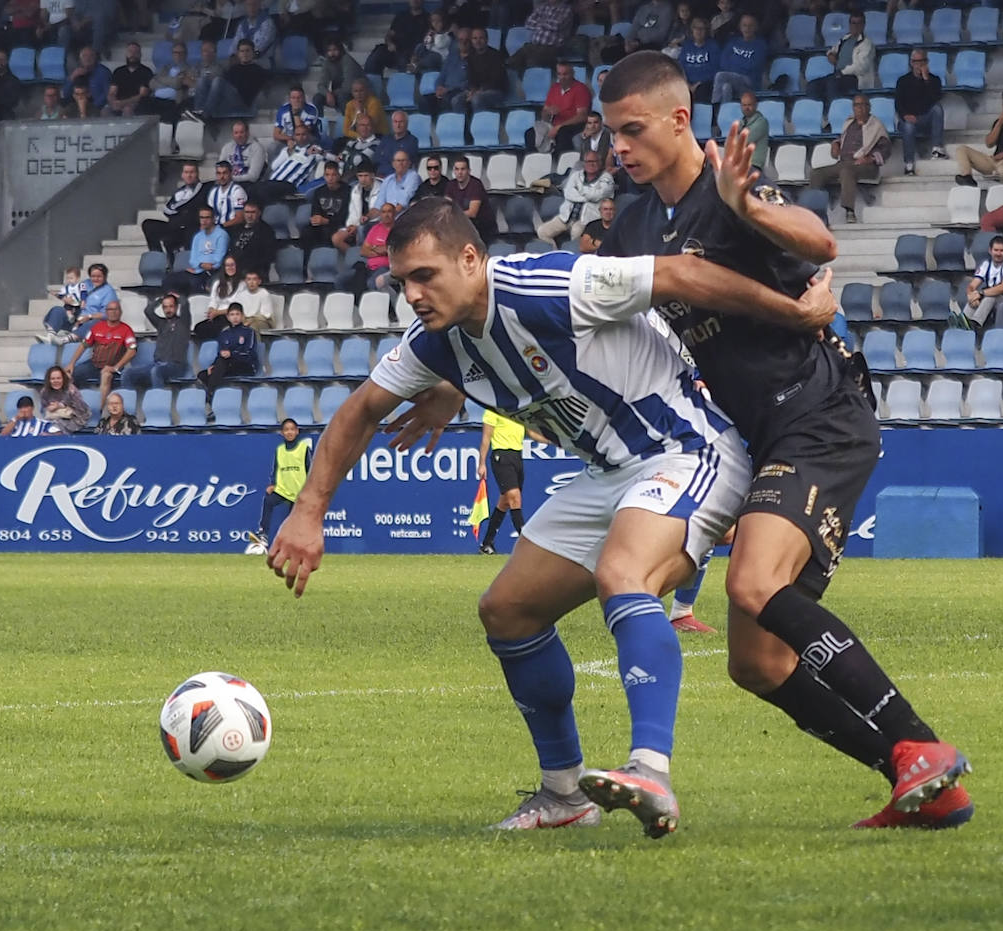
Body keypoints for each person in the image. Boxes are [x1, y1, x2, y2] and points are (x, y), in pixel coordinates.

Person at [268, 197, 838, 837]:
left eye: (426, 275)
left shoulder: (549, 285)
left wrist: (794, 312)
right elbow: (360, 410)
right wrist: (308, 512)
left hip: (685, 447)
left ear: (469, 259)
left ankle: (650, 768)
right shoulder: (436, 343)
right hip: (609, 472)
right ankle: (564, 797)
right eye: (402, 282)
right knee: (508, 610)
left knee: (624, 573)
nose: (414, 294)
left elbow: (679, 276)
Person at [579, 52, 971, 829]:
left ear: (679, 119)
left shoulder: (728, 187)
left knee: (753, 584)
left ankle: (920, 747)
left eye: (631, 130)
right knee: (755, 662)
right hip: (750, 437)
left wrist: (749, 209)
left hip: (818, 413)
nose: (618, 147)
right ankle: (922, 773)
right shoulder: (630, 225)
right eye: (610, 133)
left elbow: (818, 241)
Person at [808, 94, 890, 223]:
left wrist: (870, 158)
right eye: (856, 105)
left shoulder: (876, 125)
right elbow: (843, 139)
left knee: (846, 171)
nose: (859, 108)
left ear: (869, 107)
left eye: (863, 105)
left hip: (866, 165)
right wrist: (835, 144)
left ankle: (850, 211)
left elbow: (886, 149)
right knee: (816, 174)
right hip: (844, 162)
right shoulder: (849, 123)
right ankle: (815, 212)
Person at [476, 409, 534, 554]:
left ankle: (487, 543)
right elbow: (486, 438)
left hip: (517, 456)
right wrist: (481, 463)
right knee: (515, 498)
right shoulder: (492, 411)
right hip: (501, 456)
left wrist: (554, 440)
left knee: (505, 502)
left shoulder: (518, 409)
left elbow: (532, 433)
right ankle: (525, 546)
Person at [248, 419, 313, 547]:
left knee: (293, 521)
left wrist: (309, 489)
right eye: (286, 430)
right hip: (282, 489)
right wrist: (273, 484)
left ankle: (296, 544)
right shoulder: (280, 450)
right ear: (282, 433)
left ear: (297, 431)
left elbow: (309, 469)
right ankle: (263, 535)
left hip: (298, 491)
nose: (289, 432)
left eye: (292, 429)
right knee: (268, 501)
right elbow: (277, 468)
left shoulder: (303, 449)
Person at [537, 150, 615, 245]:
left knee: (576, 231)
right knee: (542, 231)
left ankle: (575, 257)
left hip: (587, 219)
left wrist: (580, 189)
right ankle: (556, 253)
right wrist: (587, 195)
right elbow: (568, 193)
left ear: (600, 163)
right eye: (588, 161)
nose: (591, 164)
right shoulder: (576, 175)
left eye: (594, 161)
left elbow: (597, 195)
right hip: (566, 217)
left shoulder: (607, 178)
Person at [66, 300, 137, 401]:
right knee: (68, 375)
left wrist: (116, 367)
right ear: (106, 312)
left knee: (106, 375)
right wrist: (71, 363)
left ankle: (99, 411)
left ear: (120, 312)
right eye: (110, 309)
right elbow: (84, 345)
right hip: (94, 364)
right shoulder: (97, 327)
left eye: (116, 309)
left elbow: (132, 351)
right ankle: (74, 406)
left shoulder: (126, 330)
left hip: (112, 367)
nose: (113, 312)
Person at [197, 303, 259, 409]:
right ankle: (213, 403)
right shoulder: (224, 334)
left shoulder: (249, 332)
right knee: (203, 374)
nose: (235, 317)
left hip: (245, 364)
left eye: (237, 314)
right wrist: (213, 366)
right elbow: (220, 353)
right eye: (232, 314)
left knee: (221, 364)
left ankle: (210, 397)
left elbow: (250, 353)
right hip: (228, 365)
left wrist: (232, 354)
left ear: (242, 316)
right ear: (228, 317)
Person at [125, 293, 193, 389]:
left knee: (156, 371)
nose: (168, 310)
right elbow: (148, 311)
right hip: (158, 364)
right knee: (127, 373)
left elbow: (185, 303)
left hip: (176, 366)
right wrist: (160, 299)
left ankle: (158, 400)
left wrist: (177, 296)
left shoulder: (183, 322)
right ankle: (127, 402)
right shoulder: (161, 323)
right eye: (165, 307)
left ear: (177, 307)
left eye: (171, 306)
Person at [894, 47, 944, 175]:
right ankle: (909, 164)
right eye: (916, 62)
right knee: (909, 127)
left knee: (937, 109)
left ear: (926, 62)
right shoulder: (903, 81)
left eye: (922, 61)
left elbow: (935, 98)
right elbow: (898, 103)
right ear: (911, 63)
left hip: (925, 118)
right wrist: (905, 115)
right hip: (907, 119)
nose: (919, 64)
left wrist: (926, 80)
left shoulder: (934, 80)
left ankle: (937, 149)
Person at [38, 262, 116, 344]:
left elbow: (108, 315)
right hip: (75, 318)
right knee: (57, 310)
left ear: (105, 276)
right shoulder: (85, 283)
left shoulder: (109, 292)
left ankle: (66, 339)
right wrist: (68, 300)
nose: (96, 279)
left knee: (96, 323)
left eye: (99, 276)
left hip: (90, 322)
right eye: (93, 276)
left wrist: (89, 316)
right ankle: (51, 336)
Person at [812, 9, 874, 104]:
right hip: (839, 75)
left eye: (859, 23)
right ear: (849, 25)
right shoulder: (845, 39)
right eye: (853, 23)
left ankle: (834, 112)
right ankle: (821, 112)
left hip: (855, 78)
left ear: (863, 25)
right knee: (813, 86)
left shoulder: (867, 43)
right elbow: (832, 50)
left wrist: (842, 72)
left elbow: (861, 67)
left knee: (832, 84)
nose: (855, 26)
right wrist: (830, 55)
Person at [164, 207, 230, 294]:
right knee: (169, 279)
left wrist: (203, 265)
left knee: (195, 284)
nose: (204, 221)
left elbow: (218, 259)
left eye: (207, 217)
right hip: (198, 270)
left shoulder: (222, 235)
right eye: (202, 218)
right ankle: (177, 300)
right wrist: (200, 264)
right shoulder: (198, 236)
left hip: (214, 272)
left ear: (214, 218)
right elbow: (193, 259)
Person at [531, 62, 591, 154]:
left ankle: (562, 161)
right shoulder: (554, 88)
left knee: (563, 133)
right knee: (530, 133)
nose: (562, 77)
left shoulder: (581, 89)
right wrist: (548, 112)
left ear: (572, 74)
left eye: (565, 74)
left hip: (574, 125)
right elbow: (544, 115)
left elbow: (582, 116)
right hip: (554, 124)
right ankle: (534, 160)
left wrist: (559, 127)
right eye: (559, 74)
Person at [962, 235, 1003, 330]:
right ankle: (963, 322)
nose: (998, 253)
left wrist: (980, 293)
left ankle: (975, 323)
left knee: (990, 296)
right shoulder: (986, 264)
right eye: (996, 250)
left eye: (1001, 250)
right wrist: (971, 295)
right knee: (975, 297)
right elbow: (972, 285)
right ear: (990, 250)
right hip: (989, 298)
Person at [300, 161, 352, 259]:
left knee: (327, 232)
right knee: (306, 231)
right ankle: (306, 263)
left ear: (339, 175)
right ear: (324, 176)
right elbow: (315, 211)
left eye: (333, 175)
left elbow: (345, 216)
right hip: (322, 224)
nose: (330, 178)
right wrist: (315, 219)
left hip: (339, 225)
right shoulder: (319, 191)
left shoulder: (348, 191)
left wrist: (326, 221)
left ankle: (327, 261)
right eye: (327, 175)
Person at [509, 0, 573, 71]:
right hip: (533, 46)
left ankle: (535, 77)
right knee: (511, 62)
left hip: (551, 48)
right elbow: (528, 23)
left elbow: (556, 25)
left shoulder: (566, 9)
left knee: (532, 62)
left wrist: (538, 22)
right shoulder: (543, 7)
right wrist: (546, 23)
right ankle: (525, 79)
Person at [191, 255, 244, 339]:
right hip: (217, 315)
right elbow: (213, 300)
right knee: (199, 327)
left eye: (232, 265)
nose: (230, 268)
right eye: (227, 265)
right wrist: (211, 310)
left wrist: (217, 312)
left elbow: (236, 306)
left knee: (217, 330)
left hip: (231, 316)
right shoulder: (218, 283)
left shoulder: (242, 284)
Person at [457, 26, 508, 113]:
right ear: (471, 41)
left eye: (481, 38)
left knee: (477, 99)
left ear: (487, 40)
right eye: (475, 38)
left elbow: (496, 80)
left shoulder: (496, 55)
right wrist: (473, 91)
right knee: (456, 100)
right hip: (478, 91)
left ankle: (480, 125)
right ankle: (464, 126)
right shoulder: (470, 57)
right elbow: (471, 79)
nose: (478, 41)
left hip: (496, 91)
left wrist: (479, 91)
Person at [445, 155, 494, 240]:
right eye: (457, 169)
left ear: (469, 171)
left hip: (482, 229)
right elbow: (446, 207)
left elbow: (472, 213)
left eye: (463, 169)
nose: (459, 172)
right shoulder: (450, 185)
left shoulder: (476, 184)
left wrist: (453, 214)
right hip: (462, 225)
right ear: (454, 171)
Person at [313, 38, 365, 113]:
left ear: (340, 50)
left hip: (356, 93)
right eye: (329, 51)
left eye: (335, 50)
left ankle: (348, 122)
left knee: (342, 97)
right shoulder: (327, 62)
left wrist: (332, 94)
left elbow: (348, 87)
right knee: (317, 98)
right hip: (338, 93)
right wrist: (327, 93)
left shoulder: (347, 60)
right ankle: (319, 122)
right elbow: (321, 84)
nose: (332, 53)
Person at [228, 201, 278, 278]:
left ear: (259, 213)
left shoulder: (267, 231)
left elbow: (268, 257)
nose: (249, 216)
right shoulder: (236, 229)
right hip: (234, 268)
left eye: (253, 212)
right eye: (247, 212)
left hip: (255, 272)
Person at [677, 16, 720, 104]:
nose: (698, 31)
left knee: (701, 92)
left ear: (706, 31)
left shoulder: (713, 46)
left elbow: (715, 70)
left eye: (702, 28)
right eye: (696, 28)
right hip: (686, 82)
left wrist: (696, 85)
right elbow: (680, 66)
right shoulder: (687, 45)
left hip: (704, 84)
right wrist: (687, 84)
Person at [103, 40, 151, 117]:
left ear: (140, 55)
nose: (133, 54)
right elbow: (112, 92)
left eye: (136, 52)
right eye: (130, 51)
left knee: (127, 109)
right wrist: (113, 102)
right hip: (119, 102)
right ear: (126, 54)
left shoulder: (146, 72)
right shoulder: (118, 71)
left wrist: (123, 103)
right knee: (105, 111)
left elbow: (142, 95)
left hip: (136, 104)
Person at [38, 366, 90, 434]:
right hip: (53, 417)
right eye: (53, 379)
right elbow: (43, 408)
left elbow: (82, 409)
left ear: (63, 379)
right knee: (44, 427)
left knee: (57, 428)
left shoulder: (71, 390)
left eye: (58, 378)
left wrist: (61, 405)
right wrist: (49, 408)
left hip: (74, 417)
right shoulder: (45, 392)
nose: (56, 381)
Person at [220, 120, 267, 187]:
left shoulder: (257, 148)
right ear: (232, 134)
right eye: (236, 133)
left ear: (247, 133)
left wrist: (231, 178)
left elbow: (253, 176)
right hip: (228, 183)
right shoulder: (227, 148)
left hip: (249, 185)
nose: (239, 135)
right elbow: (220, 169)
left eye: (241, 132)